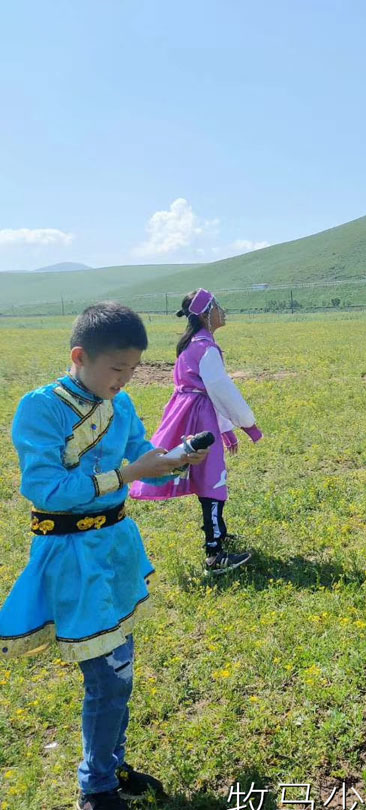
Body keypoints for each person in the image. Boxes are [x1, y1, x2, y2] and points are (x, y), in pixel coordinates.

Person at [0, 303, 209, 810]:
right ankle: (95, 787)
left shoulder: (123, 405)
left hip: (113, 551)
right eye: (117, 369)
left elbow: (142, 455)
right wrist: (127, 475)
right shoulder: (41, 408)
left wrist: (175, 460)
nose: (125, 379)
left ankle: (109, 765)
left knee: (121, 671)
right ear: (79, 356)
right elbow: (47, 489)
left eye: (132, 369)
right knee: (108, 677)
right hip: (72, 558)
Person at [130, 289, 261, 574]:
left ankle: (219, 532)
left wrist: (226, 430)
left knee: (207, 477)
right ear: (206, 314)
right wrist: (247, 423)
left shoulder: (192, 345)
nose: (223, 312)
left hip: (189, 413)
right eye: (218, 307)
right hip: (200, 416)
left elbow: (209, 391)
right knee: (212, 480)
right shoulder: (207, 348)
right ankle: (215, 554)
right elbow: (221, 391)